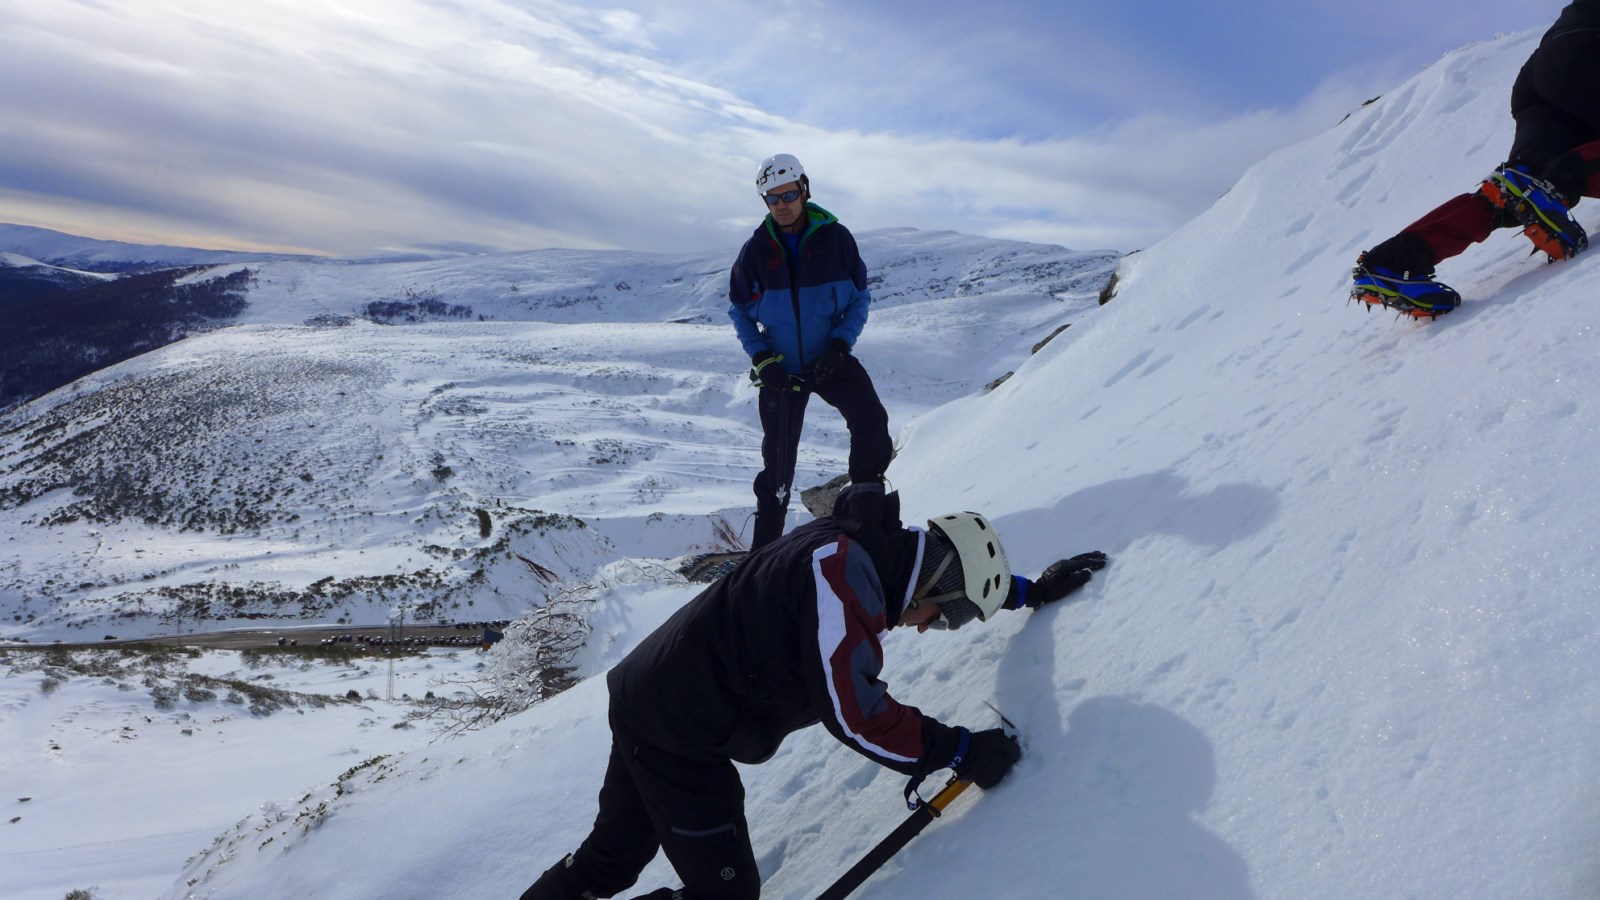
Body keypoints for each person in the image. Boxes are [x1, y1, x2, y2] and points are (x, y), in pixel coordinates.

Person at [519, 483, 1109, 900]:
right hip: (679, 727)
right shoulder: (841, 577)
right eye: (947, 615)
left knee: (612, 857)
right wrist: (958, 751)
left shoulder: (866, 548)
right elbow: (854, 713)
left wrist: (1026, 593)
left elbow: (946, 581)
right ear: (934, 582)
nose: (931, 626)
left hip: (656, 696)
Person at [1351, 0, 1599, 319]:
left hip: (1544, 72)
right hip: (1588, 51)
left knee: (1518, 192)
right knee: (1544, 185)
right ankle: (1553, 183)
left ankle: (1393, 263)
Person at [729, 154, 893, 550]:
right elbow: (739, 310)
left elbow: (859, 298)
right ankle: (764, 556)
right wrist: (763, 359)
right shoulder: (755, 252)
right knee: (778, 469)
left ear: (804, 189)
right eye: (772, 197)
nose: (781, 204)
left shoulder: (837, 240)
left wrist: (840, 345)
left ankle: (865, 524)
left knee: (872, 425)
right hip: (782, 372)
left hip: (830, 361)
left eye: (788, 194)